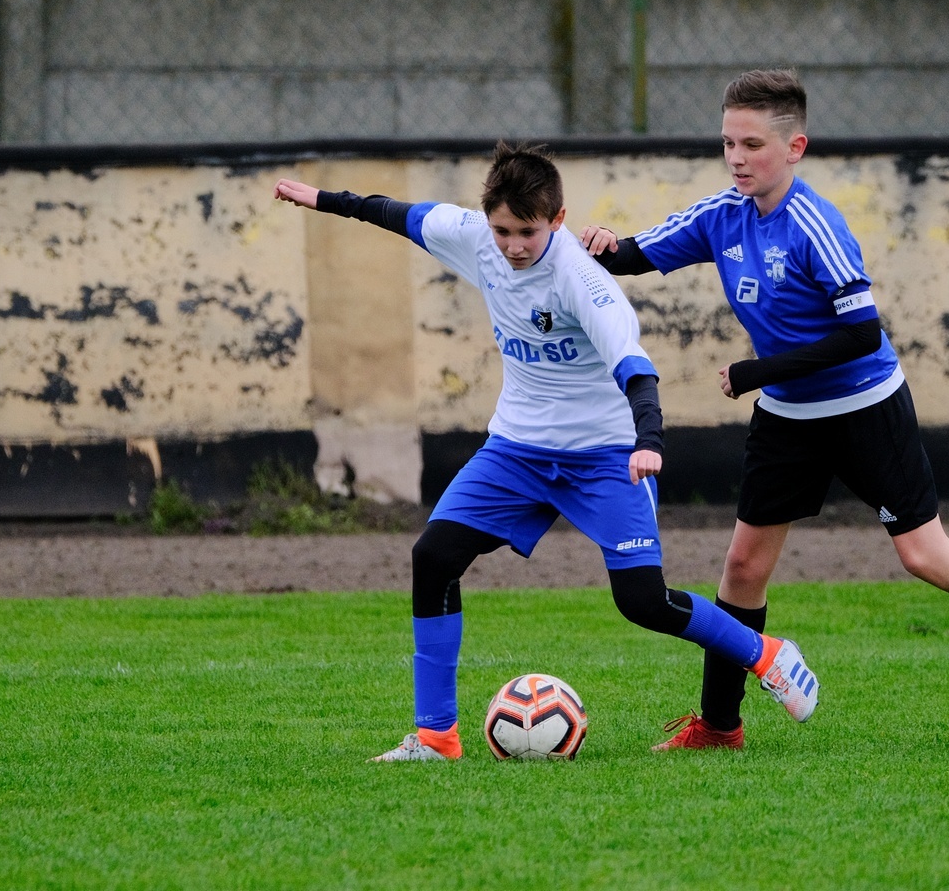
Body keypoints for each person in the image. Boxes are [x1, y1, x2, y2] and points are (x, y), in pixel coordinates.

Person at [579, 68, 949, 750]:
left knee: (924, 554)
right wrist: (596, 245)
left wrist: (756, 371)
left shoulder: (815, 224)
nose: (737, 158)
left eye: (752, 145)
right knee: (743, 568)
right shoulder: (721, 215)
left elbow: (861, 334)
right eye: (728, 143)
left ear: (795, 147)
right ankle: (719, 725)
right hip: (788, 418)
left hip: (866, 408)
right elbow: (633, 256)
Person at [272, 143, 821, 762]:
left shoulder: (582, 280)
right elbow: (393, 212)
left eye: (527, 232)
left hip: (606, 455)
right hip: (516, 450)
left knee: (642, 602)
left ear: (557, 220)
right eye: (502, 231)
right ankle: (436, 737)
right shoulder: (472, 236)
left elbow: (637, 370)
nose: (512, 246)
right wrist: (322, 200)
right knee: (433, 558)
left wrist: (649, 442)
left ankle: (767, 654)